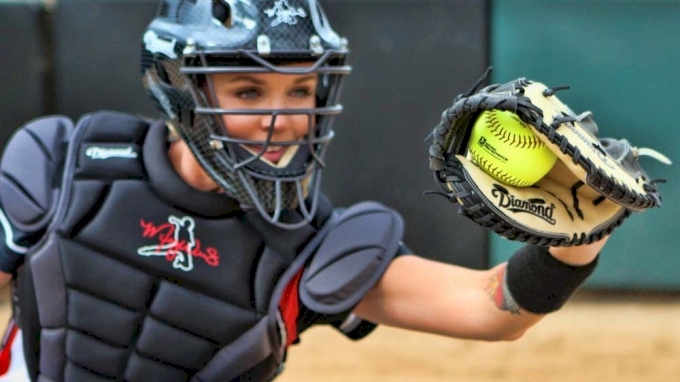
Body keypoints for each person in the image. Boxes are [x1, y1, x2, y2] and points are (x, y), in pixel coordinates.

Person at [0, 0, 608, 381]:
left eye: (301, 92)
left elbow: (488, 308)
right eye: (247, 92)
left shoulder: (314, 243)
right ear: (180, 84)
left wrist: (576, 240)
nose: (283, 119)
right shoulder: (63, 167)